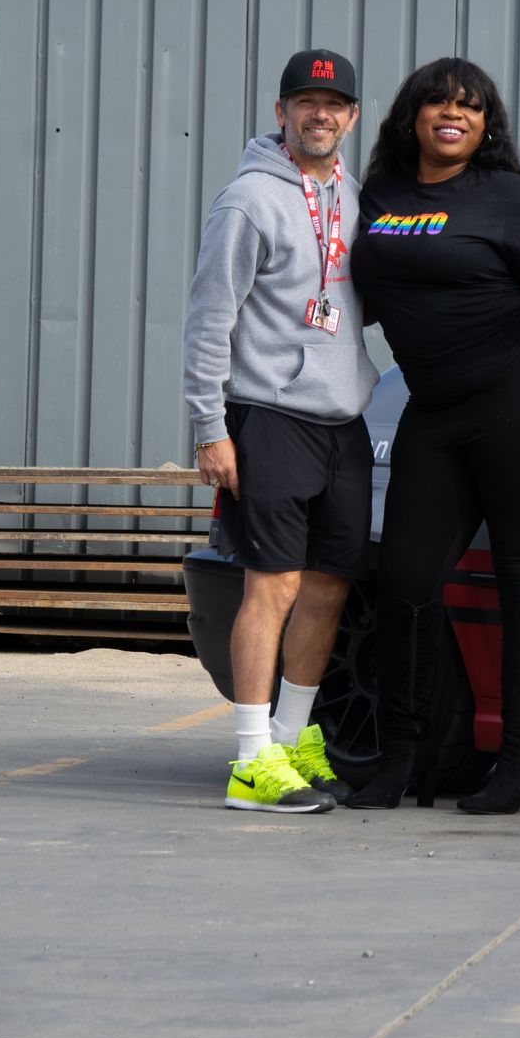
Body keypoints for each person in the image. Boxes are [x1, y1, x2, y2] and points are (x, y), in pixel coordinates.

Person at [345, 57, 520, 815]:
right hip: (438, 404)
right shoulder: (381, 192)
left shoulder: (513, 197)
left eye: (471, 105)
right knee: (406, 578)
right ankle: (403, 758)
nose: (453, 114)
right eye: (438, 101)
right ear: (411, 114)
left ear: (488, 123)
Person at [182, 49, 377, 812]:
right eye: (305, 102)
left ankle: (294, 740)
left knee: (329, 584)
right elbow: (208, 320)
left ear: (351, 117)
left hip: (343, 419)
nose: (319, 114)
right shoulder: (249, 201)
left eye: (333, 104)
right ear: (281, 113)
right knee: (273, 585)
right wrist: (209, 425)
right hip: (268, 414)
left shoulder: (356, 199)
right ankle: (249, 760)